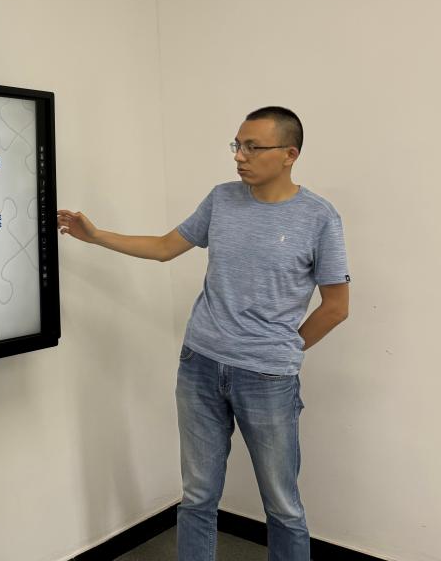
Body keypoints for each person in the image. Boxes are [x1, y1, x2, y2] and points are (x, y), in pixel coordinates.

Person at [57, 106, 349, 561]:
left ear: (290, 154)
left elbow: (336, 307)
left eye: (253, 147)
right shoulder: (221, 199)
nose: (240, 156)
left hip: (268, 378)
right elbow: (164, 247)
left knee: (283, 506)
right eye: (237, 145)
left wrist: (284, 348)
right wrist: (95, 237)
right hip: (200, 366)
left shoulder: (319, 218)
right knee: (196, 496)